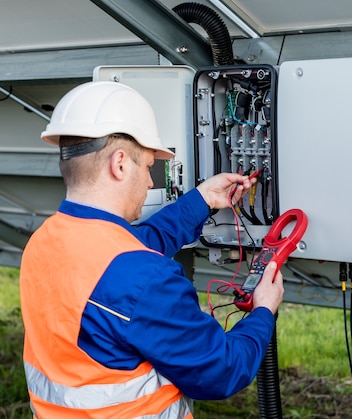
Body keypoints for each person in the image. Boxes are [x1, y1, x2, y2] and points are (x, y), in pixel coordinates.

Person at [19, 81, 284, 418]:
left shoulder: (45, 241)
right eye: (147, 167)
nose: (149, 181)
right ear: (119, 164)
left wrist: (202, 201)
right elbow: (223, 370)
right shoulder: (144, 279)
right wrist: (263, 312)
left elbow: (127, 252)